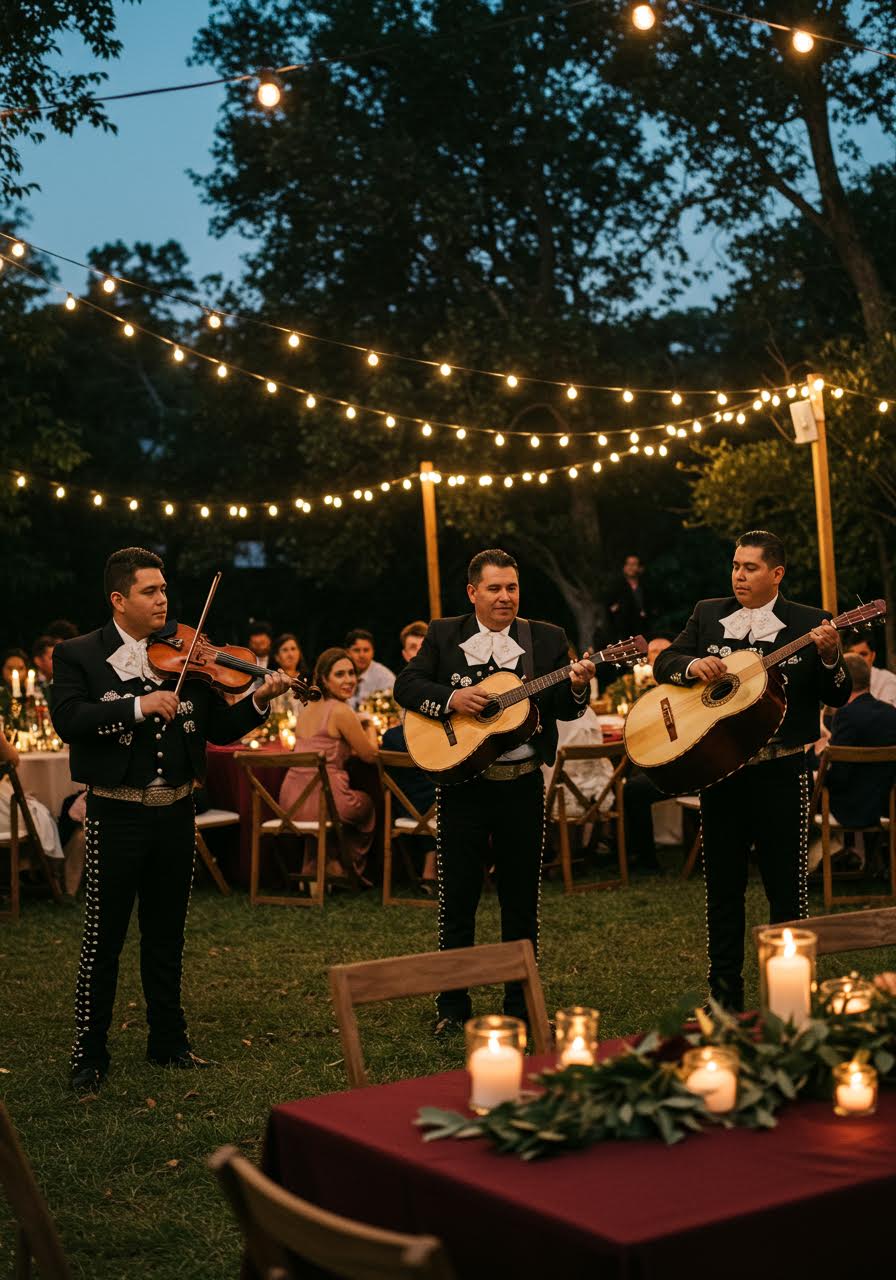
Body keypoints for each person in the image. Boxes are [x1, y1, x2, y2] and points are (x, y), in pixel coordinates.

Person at [49, 547, 290, 1093]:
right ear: (119, 599)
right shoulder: (79, 654)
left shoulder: (188, 652)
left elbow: (221, 729)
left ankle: (169, 1041)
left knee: (166, 933)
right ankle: (89, 1053)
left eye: (164, 590)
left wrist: (259, 700)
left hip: (176, 813)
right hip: (115, 814)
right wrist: (137, 707)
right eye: (150, 592)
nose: (164, 600)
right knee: (103, 936)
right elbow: (69, 720)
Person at [394, 548, 595, 1035]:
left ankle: (519, 1001)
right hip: (462, 786)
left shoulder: (545, 638)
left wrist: (577, 687)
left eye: (511, 588)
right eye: (494, 588)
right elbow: (407, 685)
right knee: (457, 897)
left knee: (521, 898)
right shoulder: (444, 634)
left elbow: (566, 711)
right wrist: (450, 698)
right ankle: (452, 1004)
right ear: (473, 592)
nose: (505, 597)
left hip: (521, 787)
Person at [653, 529, 851, 1010]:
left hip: (782, 772)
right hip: (720, 773)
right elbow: (665, 662)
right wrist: (692, 667)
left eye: (751, 568)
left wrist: (831, 657)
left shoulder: (810, 622)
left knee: (787, 888)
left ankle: (791, 998)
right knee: (723, 888)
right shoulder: (709, 613)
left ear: (776, 573)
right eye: (736, 566)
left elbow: (838, 695)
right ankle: (724, 996)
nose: (739, 575)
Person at [279, 647, 377, 879]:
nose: (349, 680)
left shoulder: (306, 709)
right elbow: (370, 756)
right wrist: (370, 724)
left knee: (331, 801)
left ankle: (319, 865)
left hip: (289, 802)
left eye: (352, 673)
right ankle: (342, 867)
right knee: (368, 803)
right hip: (325, 803)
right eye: (340, 674)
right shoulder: (342, 711)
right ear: (323, 678)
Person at [825, 653, 896, 836]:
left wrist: (820, 758)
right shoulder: (891, 713)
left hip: (850, 811)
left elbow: (839, 777)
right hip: (885, 806)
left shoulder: (845, 715)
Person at [381, 721, 437, 891]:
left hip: (403, 809)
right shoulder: (437, 734)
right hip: (435, 809)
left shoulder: (391, 736)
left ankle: (428, 867)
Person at [346, 629, 396, 708]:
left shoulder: (385, 678)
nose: (361, 655)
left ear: (373, 652)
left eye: (366, 650)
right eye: (356, 650)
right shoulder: (340, 673)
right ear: (348, 652)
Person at [606, 554, 651, 640]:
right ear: (624, 567)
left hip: (643, 630)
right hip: (622, 632)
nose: (630, 567)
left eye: (634, 564)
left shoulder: (645, 586)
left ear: (640, 568)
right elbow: (610, 608)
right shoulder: (616, 586)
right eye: (628, 564)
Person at [844, 633, 896, 708]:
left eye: (863, 654)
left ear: (873, 656)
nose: (857, 660)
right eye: (853, 655)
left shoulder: (888, 681)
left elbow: (885, 715)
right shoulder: (841, 680)